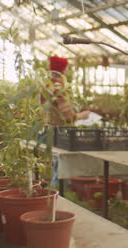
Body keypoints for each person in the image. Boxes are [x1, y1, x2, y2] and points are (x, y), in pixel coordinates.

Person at [41, 56, 90, 186]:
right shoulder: (58, 86)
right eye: (66, 67)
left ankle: (56, 192)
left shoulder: (47, 84)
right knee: (61, 167)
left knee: (55, 163)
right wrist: (80, 115)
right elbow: (66, 114)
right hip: (60, 130)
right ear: (62, 69)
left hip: (49, 127)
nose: (68, 70)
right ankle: (58, 193)